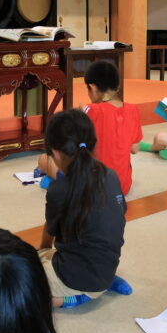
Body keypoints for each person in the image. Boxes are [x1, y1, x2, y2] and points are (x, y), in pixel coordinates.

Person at [40, 109, 132, 308]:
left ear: (55, 152)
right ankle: (106, 285)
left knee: (20, 285)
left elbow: (50, 230)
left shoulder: (59, 188)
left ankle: (77, 298)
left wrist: (42, 251)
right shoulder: (111, 176)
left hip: (79, 278)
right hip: (107, 268)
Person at [37, 60, 142, 195]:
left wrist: (81, 112)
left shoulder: (90, 110)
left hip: (91, 188)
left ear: (92, 88)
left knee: (43, 159)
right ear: (117, 85)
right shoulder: (133, 110)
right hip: (122, 186)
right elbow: (135, 148)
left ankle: (66, 181)